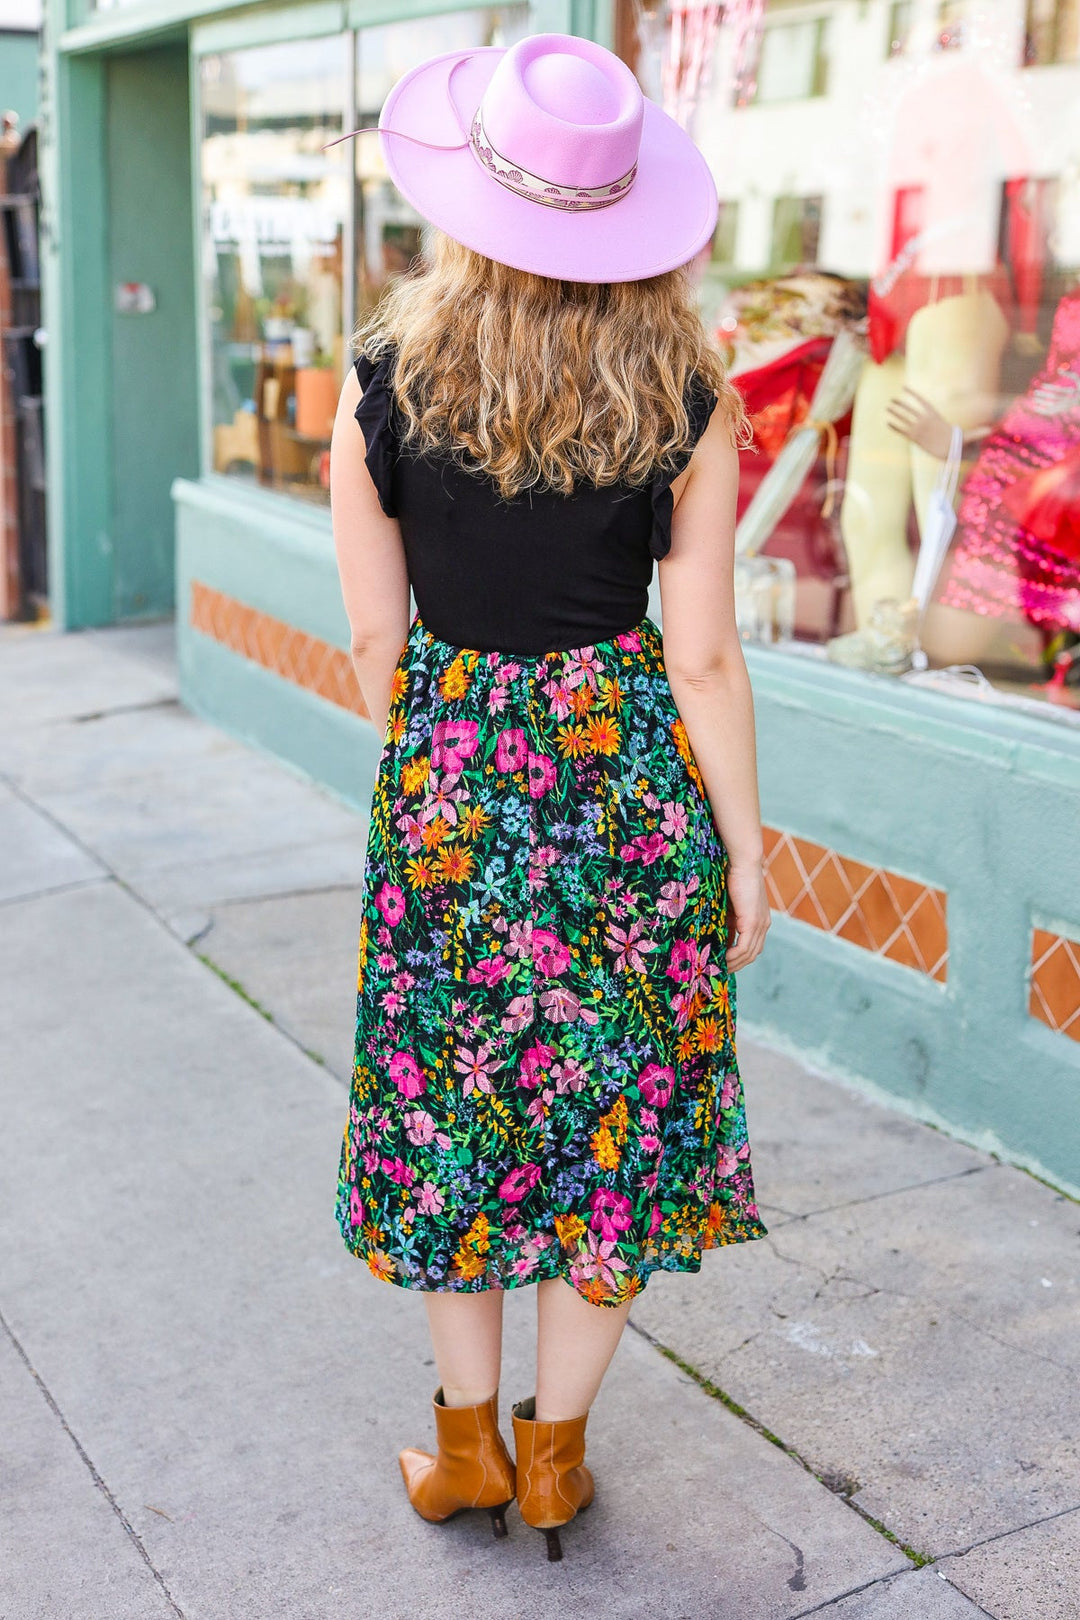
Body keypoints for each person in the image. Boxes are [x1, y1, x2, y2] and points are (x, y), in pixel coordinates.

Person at [327, 31, 771, 1562]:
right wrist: (748, 851)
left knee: (457, 1112)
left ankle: (466, 1458)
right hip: (628, 778)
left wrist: (447, 761)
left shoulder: (384, 375)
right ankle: (557, 1461)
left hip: (448, 774)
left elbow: (377, 636)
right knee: (617, 1112)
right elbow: (703, 655)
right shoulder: (691, 387)